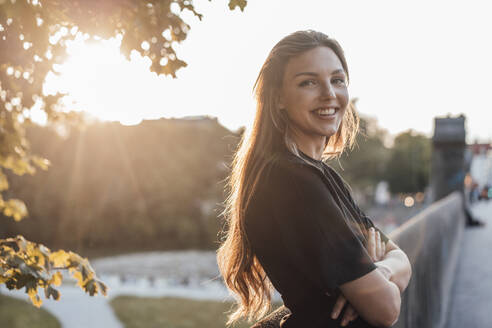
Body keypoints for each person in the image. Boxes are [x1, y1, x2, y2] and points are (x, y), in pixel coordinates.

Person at [217, 30, 412, 328]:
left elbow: (400, 258)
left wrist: (379, 270)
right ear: (278, 97)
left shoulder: (320, 174)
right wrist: (375, 273)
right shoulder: (293, 183)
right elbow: (385, 309)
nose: (329, 94)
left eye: (337, 80)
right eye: (308, 82)